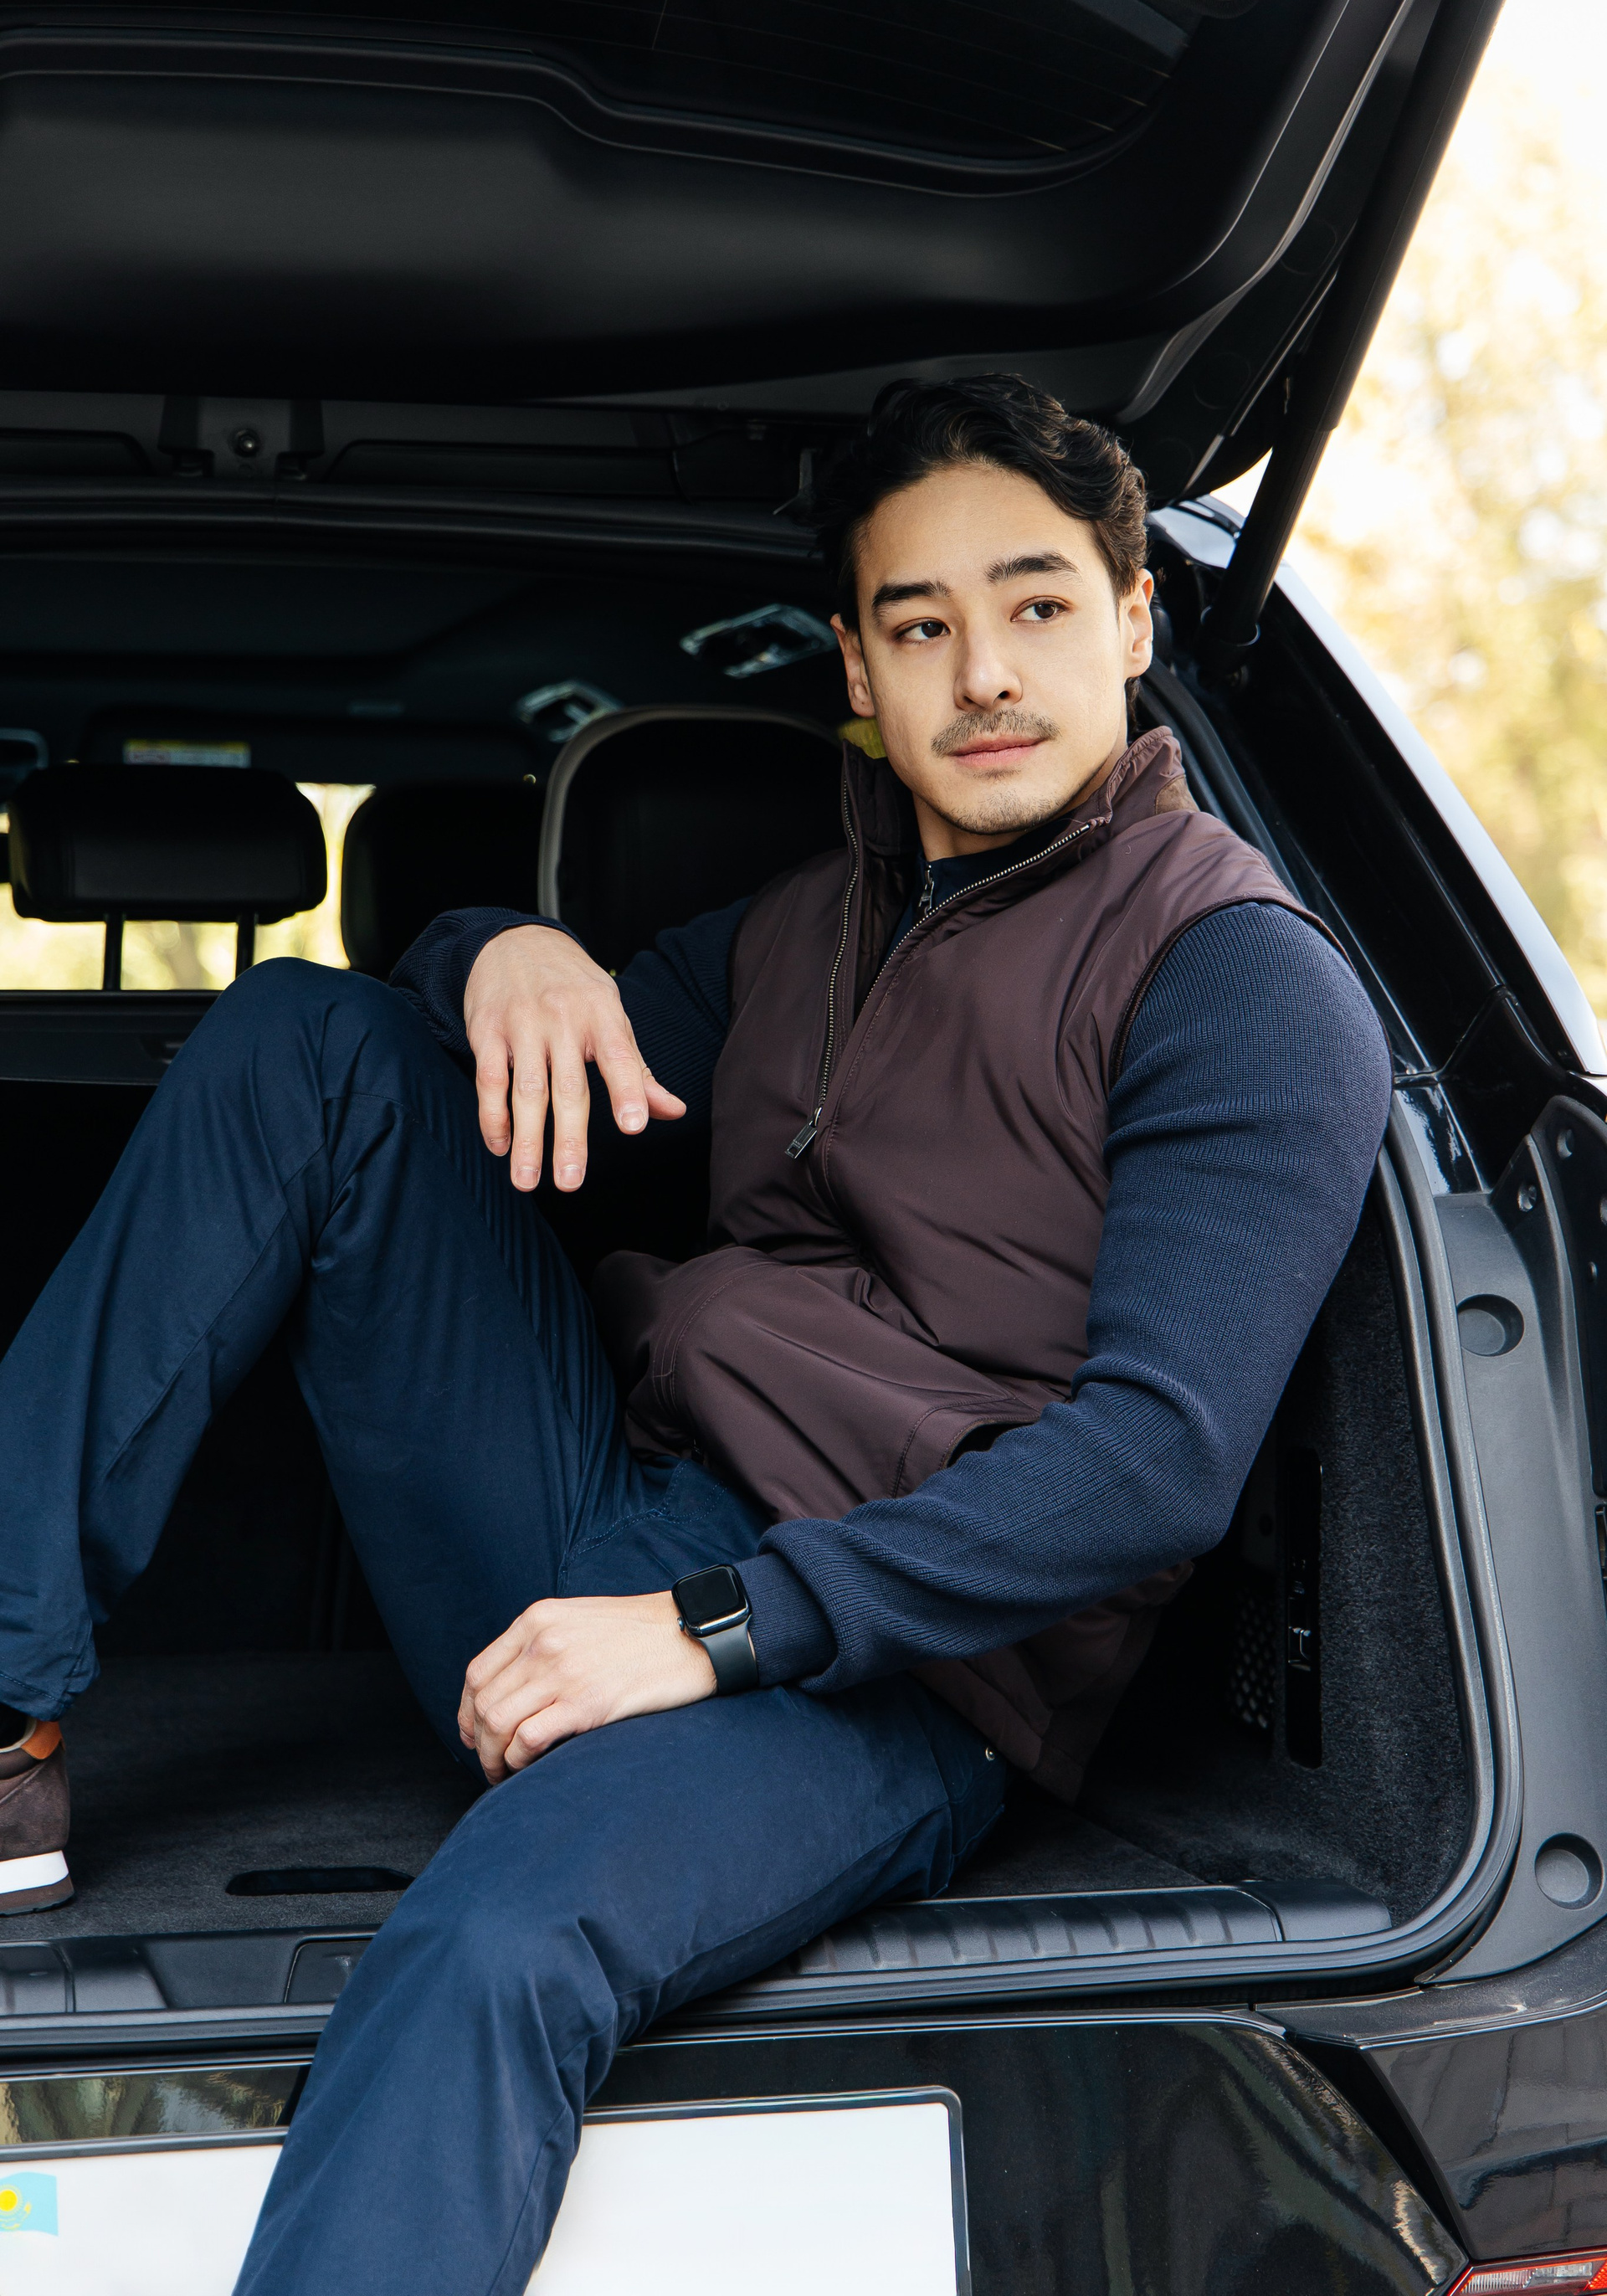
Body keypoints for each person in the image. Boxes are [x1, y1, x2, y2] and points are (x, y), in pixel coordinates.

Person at [0, 377, 1390, 2294]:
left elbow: (1155, 1468)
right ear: (858, 666)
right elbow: (478, 1064)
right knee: (300, 1042)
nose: (987, 670)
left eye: (1038, 602)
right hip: (607, 1531)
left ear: (1134, 617)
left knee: (492, 1951)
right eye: (922, 623)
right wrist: (494, 943)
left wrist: (711, 1630)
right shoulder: (803, 930)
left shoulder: (1236, 976)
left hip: (895, 1667)